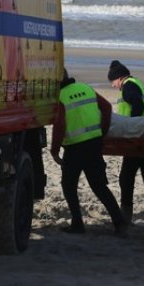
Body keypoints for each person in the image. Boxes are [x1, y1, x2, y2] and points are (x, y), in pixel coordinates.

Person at [50, 69, 128, 236]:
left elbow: (60, 126)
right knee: (99, 186)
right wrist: (102, 132)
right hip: (94, 144)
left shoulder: (60, 97)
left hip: (74, 148)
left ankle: (78, 223)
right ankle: (119, 223)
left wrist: (54, 151)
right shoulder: (85, 88)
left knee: (69, 186)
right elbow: (107, 107)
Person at [107, 60, 144, 224]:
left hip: (139, 138)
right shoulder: (136, 83)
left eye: (113, 82)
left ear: (119, 78)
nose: (113, 86)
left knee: (126, 177)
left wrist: (132, 126)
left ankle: (125, 216)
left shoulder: (129, 86)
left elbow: (138, 105)